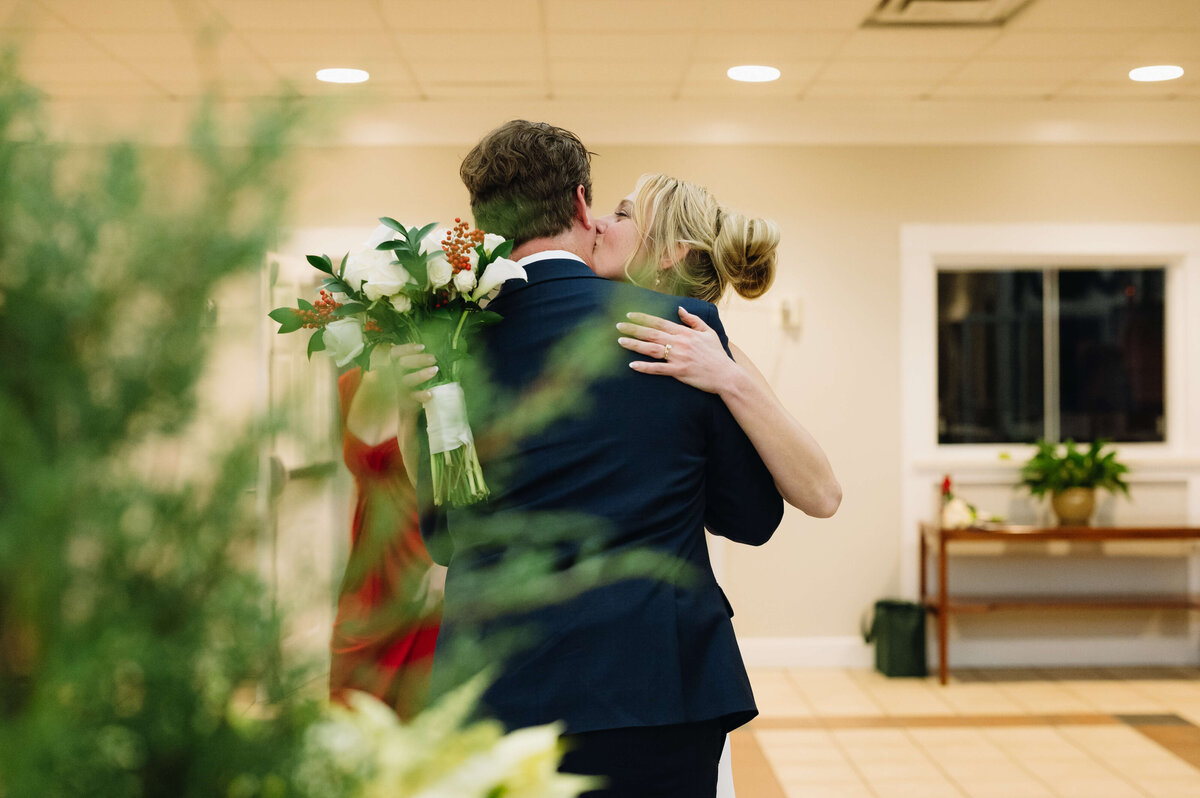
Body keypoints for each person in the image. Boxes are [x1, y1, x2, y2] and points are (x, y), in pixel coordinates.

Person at [419, 120, 785, 798]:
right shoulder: (674, 328)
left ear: (486, 223)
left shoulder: (449, 342)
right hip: (657, 688)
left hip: (499, 694)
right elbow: (754, 515)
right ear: (583, 207)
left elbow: (443, 537)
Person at [595, 173, 841, 519]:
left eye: (622, 215)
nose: (597, 223)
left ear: (669, 252)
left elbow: (824, 497)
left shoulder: (720, 355)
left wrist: (728, 377)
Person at [328, 350, 441, 720]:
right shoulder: (349, 384)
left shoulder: (436, 382)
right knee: (352, 704)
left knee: (415, 711)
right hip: (366, 572)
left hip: (425, 568)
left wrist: (445, 564)